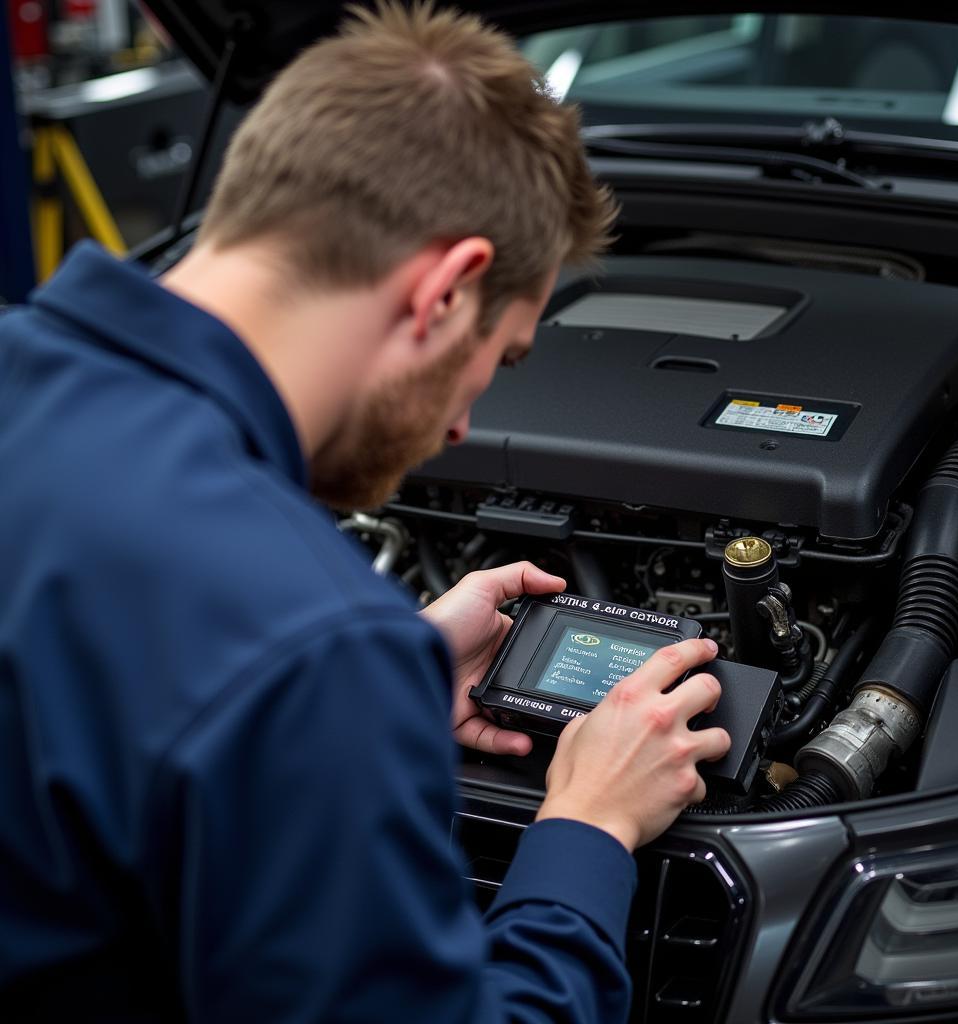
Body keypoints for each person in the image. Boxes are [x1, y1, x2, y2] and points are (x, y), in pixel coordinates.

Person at [0, 3, 730, 1021]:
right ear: (445, 291)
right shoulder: (309, 645)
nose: (467, 424)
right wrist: (589, 829)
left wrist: (386, 684)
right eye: (501, 357)